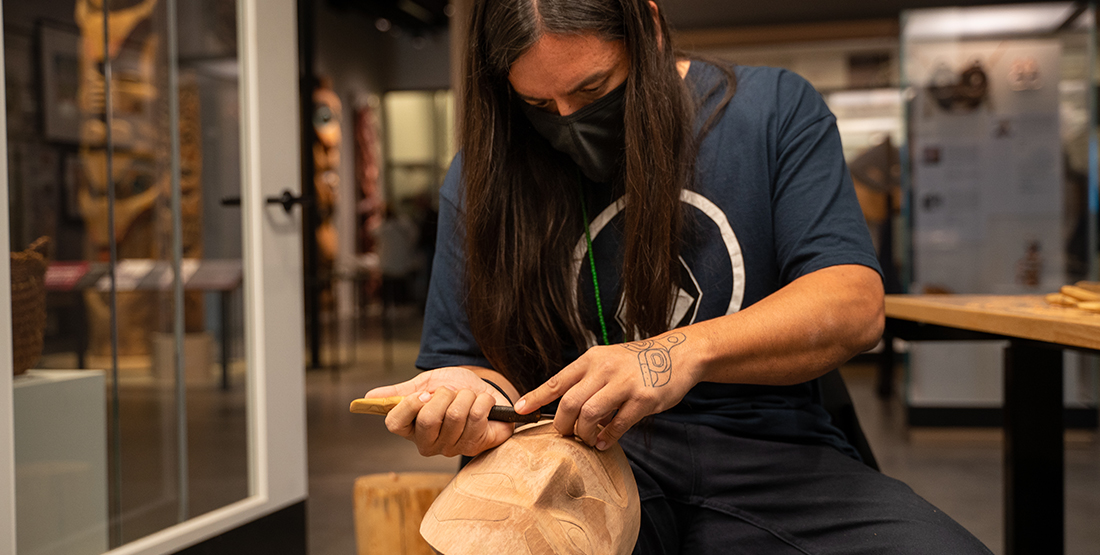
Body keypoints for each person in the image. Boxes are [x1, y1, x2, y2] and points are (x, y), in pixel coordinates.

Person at [365, 1, 993, 553]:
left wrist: (670, 353)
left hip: (771, 450)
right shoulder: (484, 174)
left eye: (594, 89)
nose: (568, 120)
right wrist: (459, 397)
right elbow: (465, 362)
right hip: (574, 454)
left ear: (651, 27)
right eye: (537, 105)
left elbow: (852, 304)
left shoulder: (772, 111)